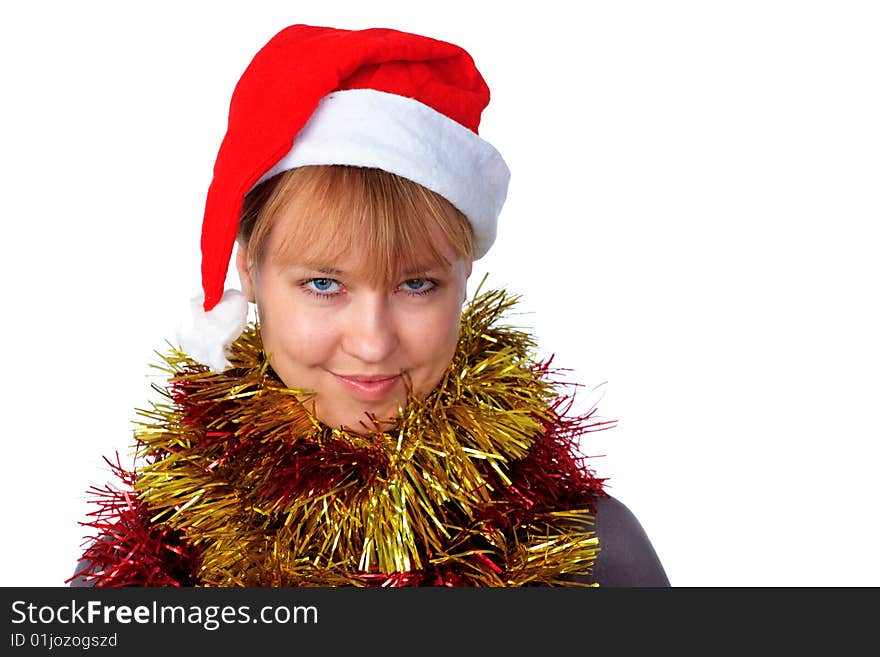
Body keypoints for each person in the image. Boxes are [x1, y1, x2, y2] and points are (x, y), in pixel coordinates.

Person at [70, 23, 668, 587]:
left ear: (463, 276)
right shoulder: (151, 560)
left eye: (416, 285)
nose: (373, 343)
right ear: (249, 270)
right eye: (324, 285)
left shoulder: (590, 551)